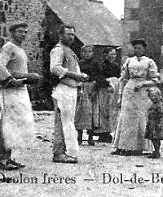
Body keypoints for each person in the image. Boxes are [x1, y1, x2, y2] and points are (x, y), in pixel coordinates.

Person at [0, 22, 40, 170]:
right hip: (8, 89)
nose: (24, 34)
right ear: (12, 33)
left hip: (18, 89)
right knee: (7, 123)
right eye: (20, 32)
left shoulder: (19, 49)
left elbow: (16, 70)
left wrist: (26, 77)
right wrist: (11, 80)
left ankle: (7, 157)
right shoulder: (9, 47)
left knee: (13, 124)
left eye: (25, 32)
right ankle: (2, 160)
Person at [49, 24, 90, 164]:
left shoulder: (69, 50)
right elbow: (54, 68)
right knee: (63, 121)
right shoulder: (58, 50)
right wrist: (75, 76)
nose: (71, 37)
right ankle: (59, 152)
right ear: (61, 35)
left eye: (73, 34)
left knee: (68, 121)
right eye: (68, 34)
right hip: (64, 89)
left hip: (71, 89)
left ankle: (67, 151)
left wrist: (79, 77)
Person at [112, 39, 159, 156]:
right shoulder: (129, 61)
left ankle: (138, 147)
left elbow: (155, 80)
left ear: (144, 49)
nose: (138, 50)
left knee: (140, 117)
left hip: (143, 91)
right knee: (126, 118)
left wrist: (143, 84)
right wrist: (120, 95)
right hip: (129, 90)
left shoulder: (149, 62)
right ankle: (122, 146)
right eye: (136, 48)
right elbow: (123, 78)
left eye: (140, 48)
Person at [76, 45, 102, 146]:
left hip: (92, 88)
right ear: (82, 53)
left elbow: (100, 77)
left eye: (89, 52)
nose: (87, 54)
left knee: (91, 112)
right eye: (85, 52)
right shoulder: (79, 64)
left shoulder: (96, 64)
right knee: (80, 112)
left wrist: (95, 89)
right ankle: (79, 136)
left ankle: (90, 137)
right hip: (81, 88)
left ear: (93, 53)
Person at [96, 48, 120, 143]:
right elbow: (99, 77)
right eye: (111, 54)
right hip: (104, 89)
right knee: (103, 109)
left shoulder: (116, 66)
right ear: (105, 55)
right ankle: (103, 132)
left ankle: (109, 131)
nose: (113, 56)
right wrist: (107, 83)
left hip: (114, 90)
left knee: (112, 110)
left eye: (114, 54)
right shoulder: (101, 66)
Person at [145, 88, 163, 159]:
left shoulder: (159, 105)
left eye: (155, 96)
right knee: (153, 138)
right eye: (151, 96)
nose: (153, 98)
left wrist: (161, 123)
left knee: (156, 138)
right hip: (151, 124)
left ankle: (157, 151)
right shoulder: (151, 104)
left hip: (157, 124)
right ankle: (155, 151)